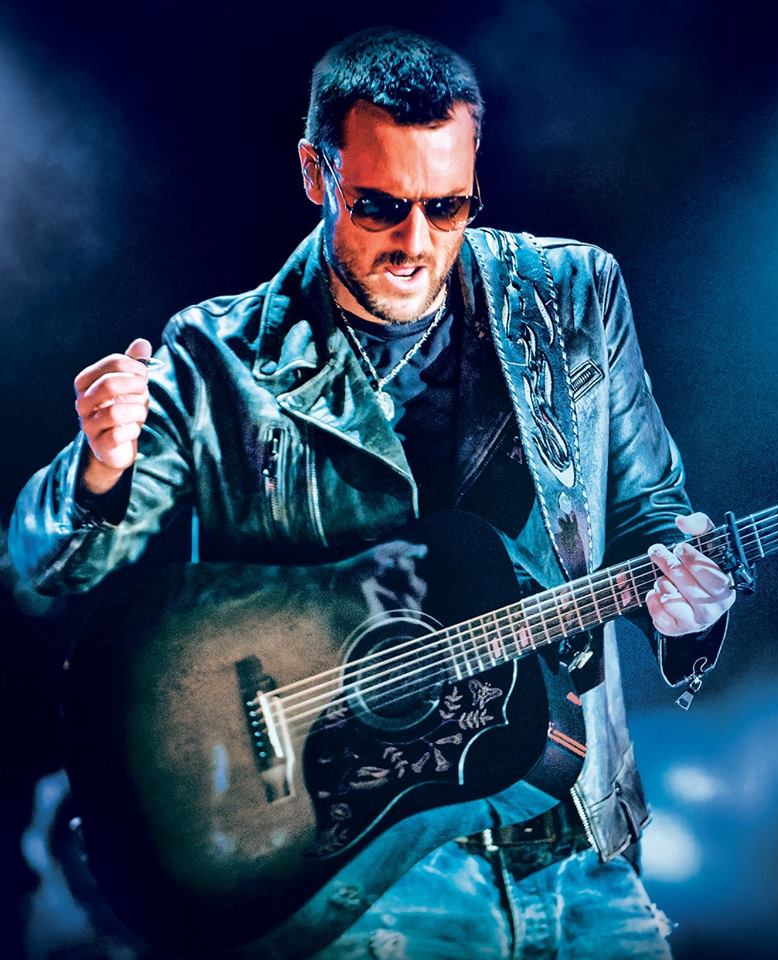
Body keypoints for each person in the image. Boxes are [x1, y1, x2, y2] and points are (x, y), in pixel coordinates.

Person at [9, 28, 735, 960]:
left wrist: (687, 605)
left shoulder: (574, 297)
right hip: (365, 887)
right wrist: (100, 467)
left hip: (578, 843)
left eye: (448, 205)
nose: (416, 243)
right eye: (381, 206)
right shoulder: (217, 355)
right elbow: (44, 565)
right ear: (317, 173)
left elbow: (649, 513)